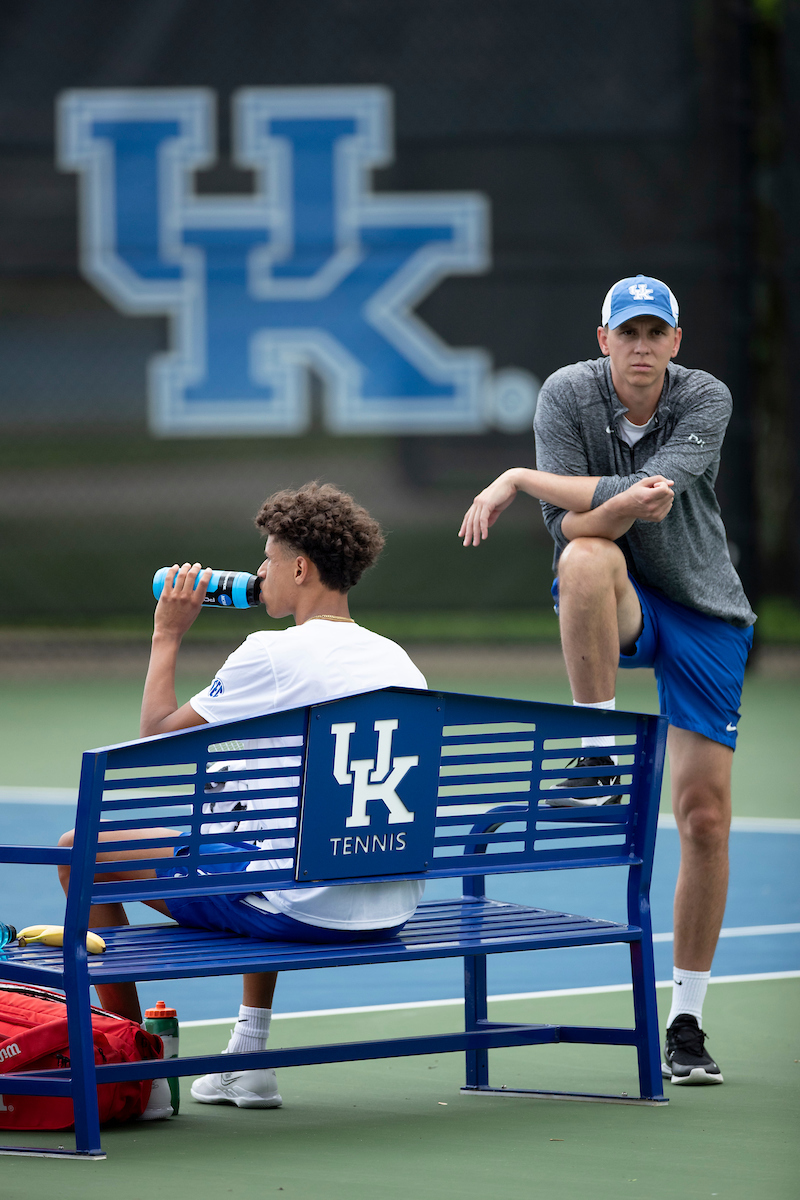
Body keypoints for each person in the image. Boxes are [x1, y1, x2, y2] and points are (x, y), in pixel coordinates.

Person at [458, 275, 755, 1087]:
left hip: (704, 613)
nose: (641, 347)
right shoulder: (566, 397)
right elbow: (579, 531)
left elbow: (651, 498)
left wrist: (518, 479)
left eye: (656, 333)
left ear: (676, 345)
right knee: (585, 558)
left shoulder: (706, 399)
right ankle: (597, 749)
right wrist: (583, 503)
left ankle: (686, 1020)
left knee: (702, 818)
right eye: (628, 332)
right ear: (603, 340)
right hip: (618, 595)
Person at [58, 483, 427, 1113]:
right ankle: (248, 1059)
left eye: (266, 561)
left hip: (305, 907)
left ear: (300, 568)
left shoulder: (271, 653)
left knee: (79, 850)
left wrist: (168, 632)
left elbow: (151, 738)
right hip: (388, 904)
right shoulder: (399, 660)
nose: (258, 575)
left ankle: (133, 1067)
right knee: (264, 838)